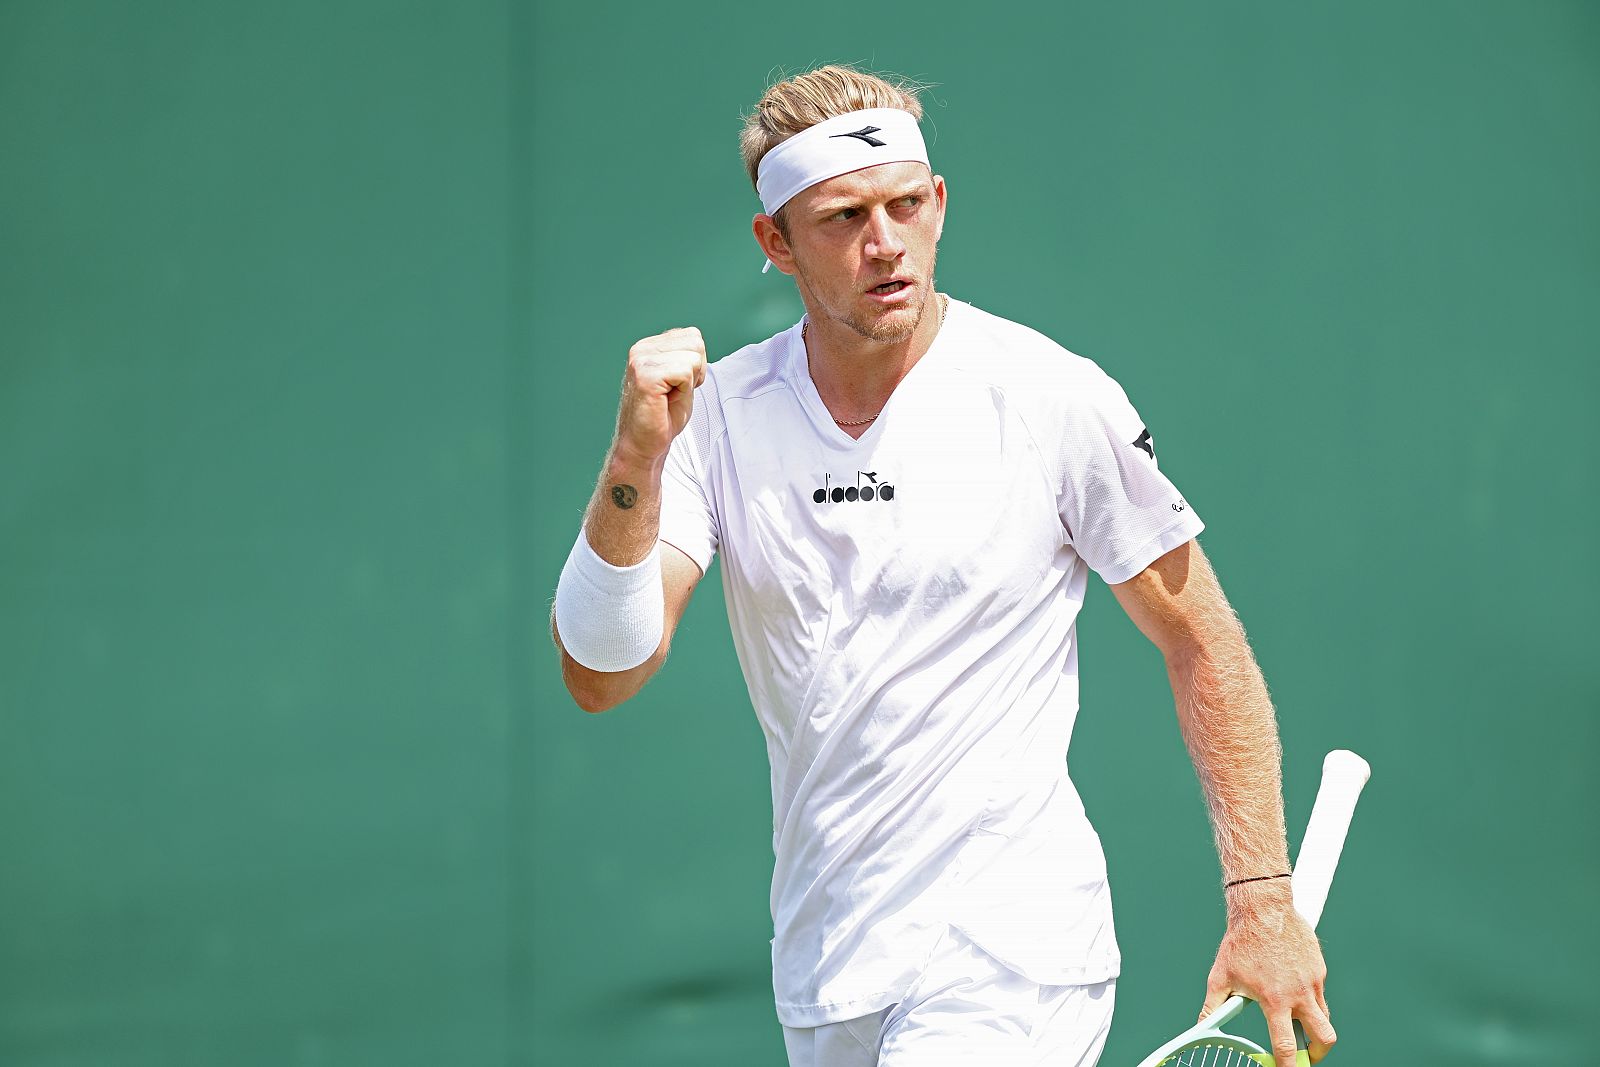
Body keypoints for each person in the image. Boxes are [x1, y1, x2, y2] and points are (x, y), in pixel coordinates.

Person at [552, 64, 1335, 1067]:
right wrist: (633, 459)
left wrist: (1261, 897)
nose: (885, 244)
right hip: (825, 967)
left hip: (1009, 955)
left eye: (906, 205)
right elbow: (601, 672)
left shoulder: (1049, 395)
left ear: (938, 205)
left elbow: (1199, 632)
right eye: (841, 218)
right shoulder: (716, 421)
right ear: (775, 243)